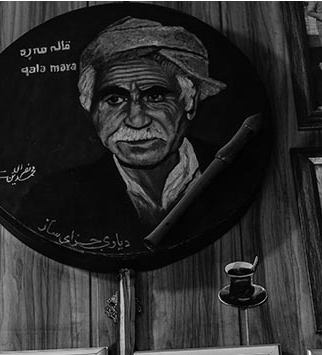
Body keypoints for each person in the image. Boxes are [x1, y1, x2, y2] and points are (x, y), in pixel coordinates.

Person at [18, 16, 232, 252]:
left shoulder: (234, 172)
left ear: (189, 102)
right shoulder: (54, 200)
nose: (136, 120)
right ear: (91, 108)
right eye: (114, 100)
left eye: (155, 97)